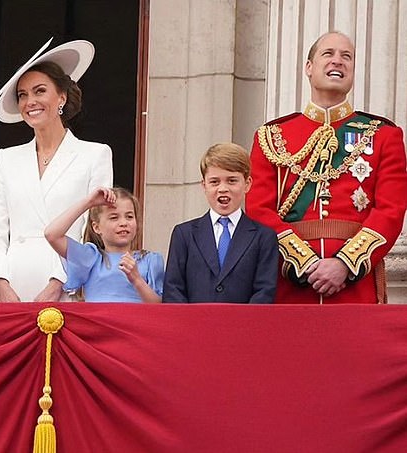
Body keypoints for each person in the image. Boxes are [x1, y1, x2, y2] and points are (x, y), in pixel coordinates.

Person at [246, 31, 407, 304]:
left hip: (355, 286)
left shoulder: (383, 135)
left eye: (347, 57)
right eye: (328, 54)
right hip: (291, 284)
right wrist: (305, 263)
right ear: (309, 68)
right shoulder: (272, 136)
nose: (338, 61)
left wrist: (345, 264)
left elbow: (390, 211)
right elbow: (258, 209)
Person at [0, 38, 113, 302]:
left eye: (39, 91)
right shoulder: (7, 159)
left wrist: (58, 284)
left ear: (61, 97)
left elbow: (90, 228)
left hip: (67, 287)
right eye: (23, 95)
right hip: (12, 287)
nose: (30, 101)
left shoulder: (95, 154)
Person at [163, 143, 278, 303]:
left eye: (232, 181)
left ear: (247, 184)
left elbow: (264, 292)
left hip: (242, 326)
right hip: (193, 325)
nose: (223, 188)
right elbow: (173, 289)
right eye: (214, 182)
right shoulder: (184, 234)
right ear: (204, 185)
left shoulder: (264, 237)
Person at [45, 187, 163, 303]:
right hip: (97, 322)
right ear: (96, 227)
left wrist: (137, 279)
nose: (123, 223)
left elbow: (160, 306)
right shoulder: (91, 258)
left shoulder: (150, 260)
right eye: (114, 218)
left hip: (134, 321)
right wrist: (89, 202)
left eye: (129, 217)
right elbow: (52, 234)